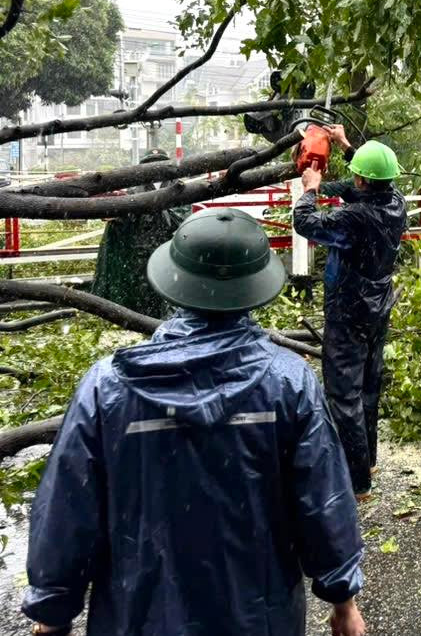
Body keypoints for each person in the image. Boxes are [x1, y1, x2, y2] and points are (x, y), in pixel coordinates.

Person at [23, 208, 366, 636]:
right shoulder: (289, 383)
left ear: (173, 280)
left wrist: (53, 612)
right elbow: (323, 502)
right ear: (258, 287)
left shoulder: (107, 387)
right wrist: (343, 600)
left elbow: (67, 510)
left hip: (136, 617)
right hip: (259, 618)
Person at [294, 127, 407, 499]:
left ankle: (356, 482)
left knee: (343, 397)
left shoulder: (355, 219)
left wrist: (310, 188)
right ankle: (368, 459)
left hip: (349, 312)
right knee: (369, 390)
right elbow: (366, 182)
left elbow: (306, 223)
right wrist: (346, 146)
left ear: (361, 178)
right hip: (378, 308)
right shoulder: (396, 203)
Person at [90, 149, 188, 318]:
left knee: (168, 289)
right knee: (145, 291)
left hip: (169, 252)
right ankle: (144, 320)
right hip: (140, 255)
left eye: (159, 163)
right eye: (150, 165)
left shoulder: (181, 189)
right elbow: (121, 223)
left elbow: (183, 218)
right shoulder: (133, 193)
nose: (155, 168)